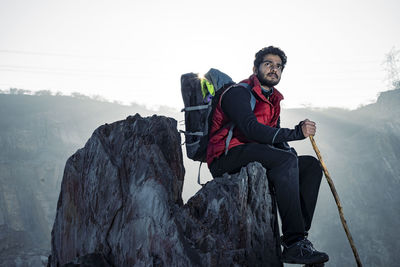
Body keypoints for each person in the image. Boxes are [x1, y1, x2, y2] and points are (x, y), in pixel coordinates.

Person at [206, 46, 329, 265]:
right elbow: (251, 129)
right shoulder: (238, 93)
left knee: (309, 165)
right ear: (255, 68)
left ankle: (300, 238)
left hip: (256, 154)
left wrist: (290, 145)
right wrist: (296, 134)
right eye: (268, 64)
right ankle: (294, 242)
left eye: (279, 66)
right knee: (286, 160)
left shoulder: (273, 100)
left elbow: (275, 138)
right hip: (226, 157)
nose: (274, 69)